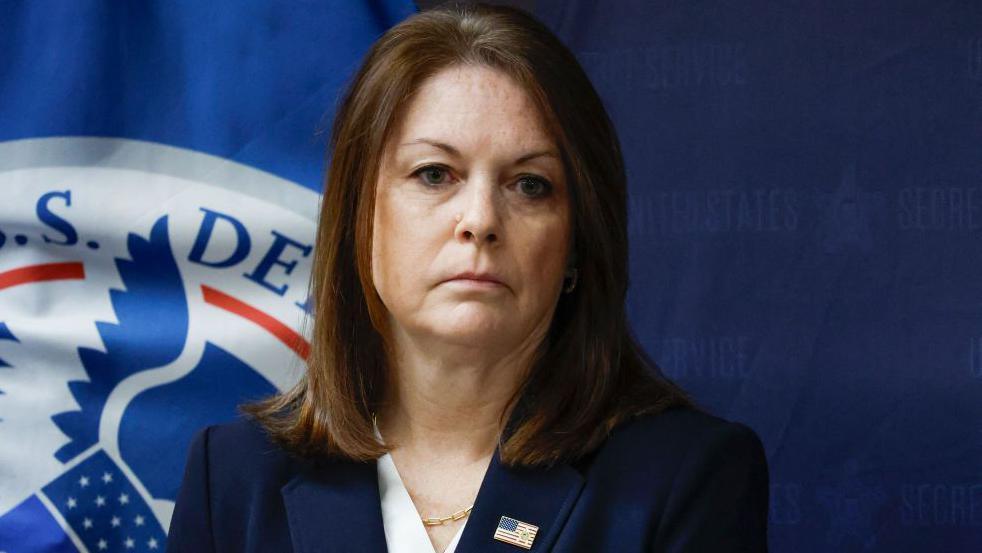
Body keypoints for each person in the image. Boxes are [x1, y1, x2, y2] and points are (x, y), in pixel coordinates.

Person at [166, 3, 769, 552]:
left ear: (578, 246)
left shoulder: (688, 477)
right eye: (434, 174)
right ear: (359, 217)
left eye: (530, 185)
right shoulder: (234, 479)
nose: (480, 220)